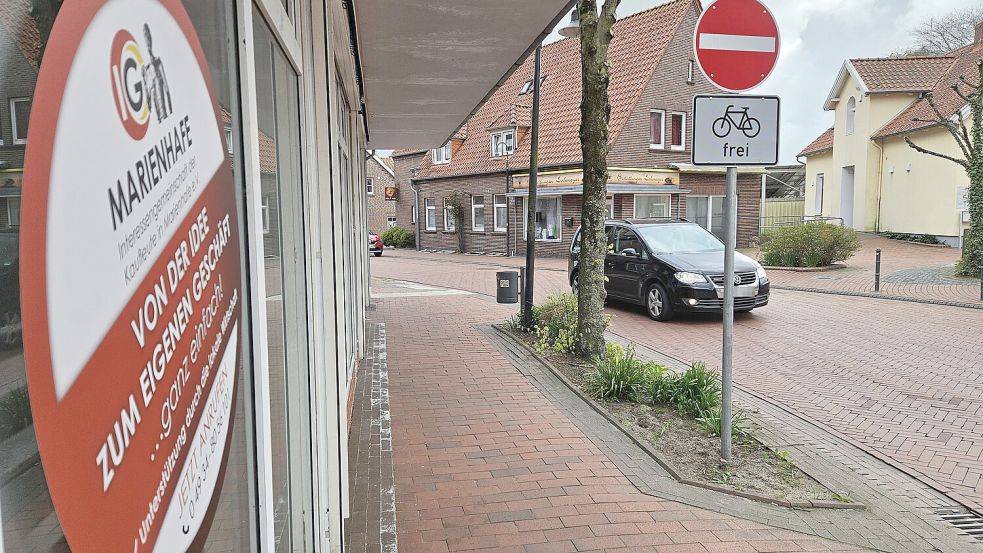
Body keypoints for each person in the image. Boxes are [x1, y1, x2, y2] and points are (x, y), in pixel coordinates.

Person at [142, 23, 172, 123]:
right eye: (145, 37)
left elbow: (166, 88)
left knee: (164, 115)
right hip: (156, 106)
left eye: (148, 36)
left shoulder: (157, 62)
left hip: (165, 111)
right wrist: (148, 101)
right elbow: (147, 93)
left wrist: (170, 107)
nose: (147, 42)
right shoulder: (145, 70)